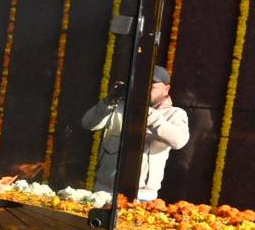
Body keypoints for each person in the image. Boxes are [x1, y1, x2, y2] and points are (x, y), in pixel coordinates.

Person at [81, 65, 189, 201]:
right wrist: (108, 101)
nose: (145, 89)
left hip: (143, 196)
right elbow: (88, 124)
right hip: (105, 191)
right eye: (142, 84)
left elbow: (179, 141)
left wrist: (147, 114)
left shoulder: (174, 114)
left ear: (166, 89)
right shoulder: (118, 106)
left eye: (152, 86)